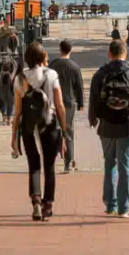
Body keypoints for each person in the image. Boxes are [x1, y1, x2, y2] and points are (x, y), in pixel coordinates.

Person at [11, 41, 69, 222]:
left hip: (28, 126)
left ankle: (35, 200)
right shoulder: (51, 75)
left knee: (33, 164)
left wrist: (14, 136)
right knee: (49, 165)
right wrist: (65, 130)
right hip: (49, 124)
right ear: (42, 57)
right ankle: (47, 205)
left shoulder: (20, 78)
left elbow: (17, 110)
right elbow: (59, 104)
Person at [89, 39, 129, 218]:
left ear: (109, 53)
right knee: (125, 166)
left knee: (109, 163)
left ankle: (110, 204)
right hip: (128, 126)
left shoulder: (100, 74)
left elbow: (94, 99)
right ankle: (124, 207)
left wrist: (93, 119)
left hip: (106, 125)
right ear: (125, 53)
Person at [49, 40, 85, 174]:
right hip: (69, 103)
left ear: (60, 49)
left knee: (55, 131)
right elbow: (79, 87)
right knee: (68, 131)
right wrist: (81, 102)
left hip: (53, 102)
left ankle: (52, 159)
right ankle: (68, 162)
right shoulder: (74, 67)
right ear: (70, 50)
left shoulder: (52, 65)